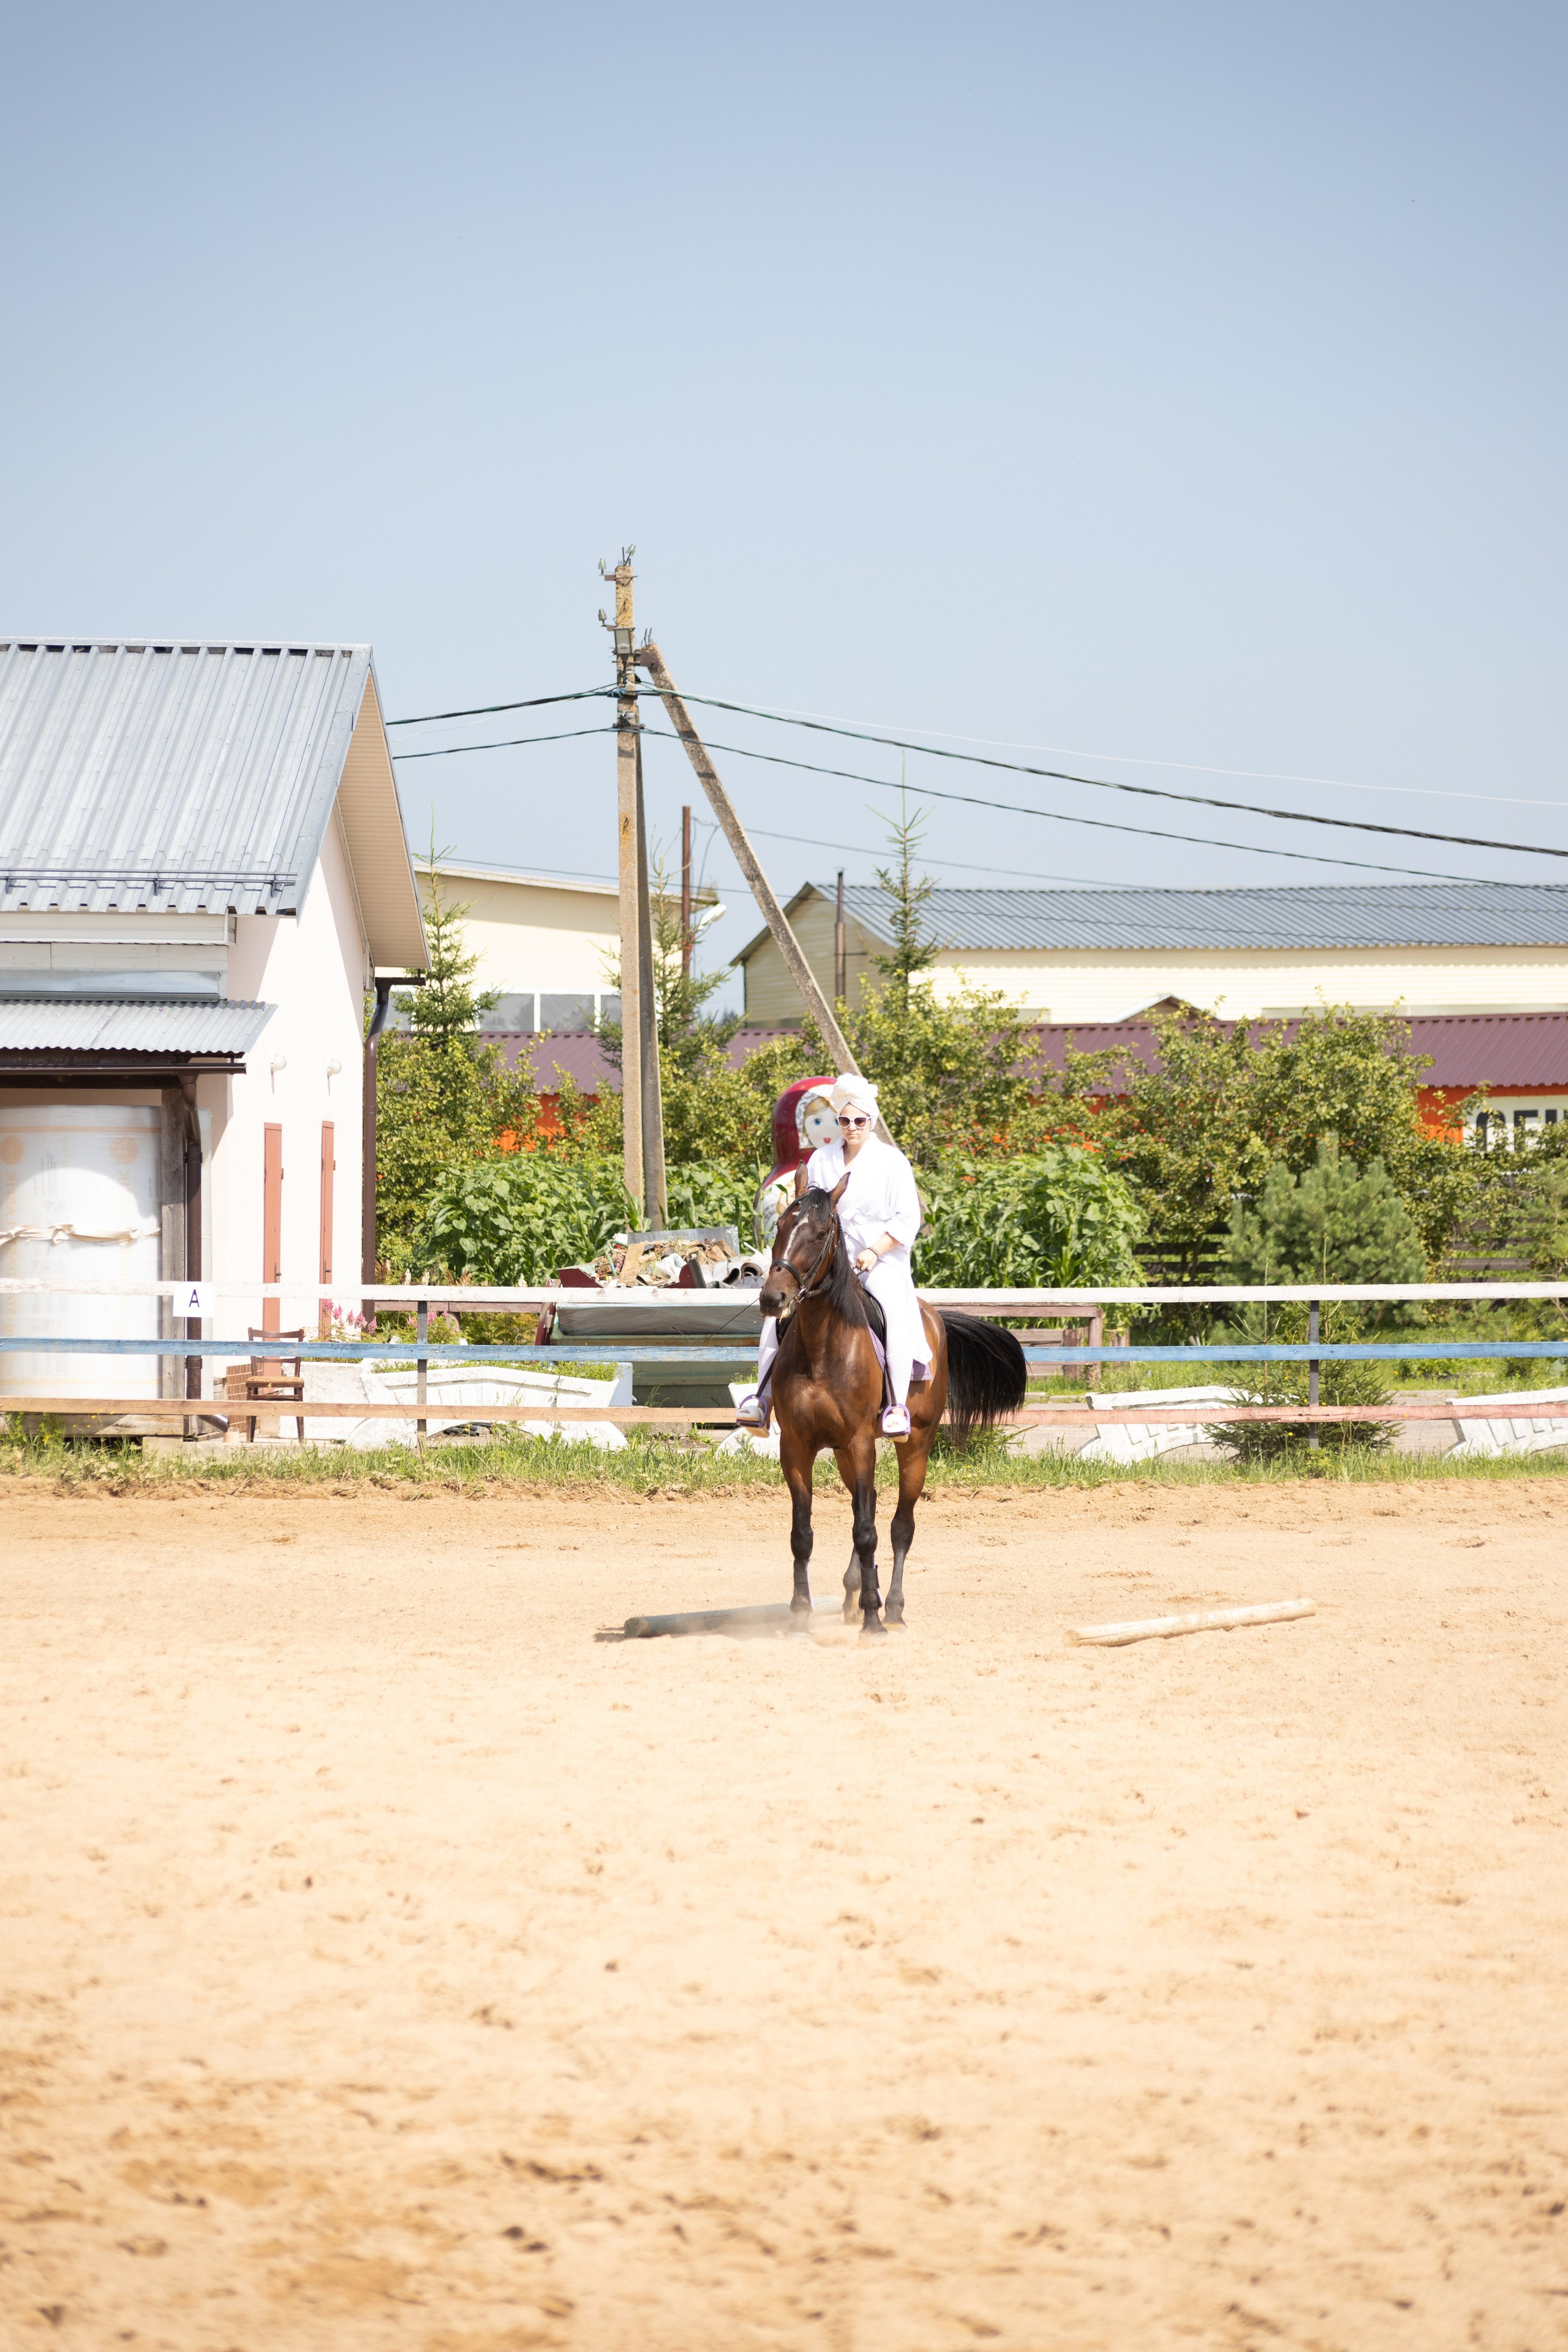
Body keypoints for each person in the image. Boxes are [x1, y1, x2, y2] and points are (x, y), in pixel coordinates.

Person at [736, 1072, 928, 1439]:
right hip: (827, 1258)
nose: (851, 1127)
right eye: (844, 1120)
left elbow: (908, 1218)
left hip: (879, 1258)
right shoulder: (821, 1159)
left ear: (871, 1121)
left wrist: (875, 1250)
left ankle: (896, 1406)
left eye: (859, 1120)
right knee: (780, 1312)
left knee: (893, 1309)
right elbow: (808, 1211)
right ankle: (761, 1398)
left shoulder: (893, 1162)